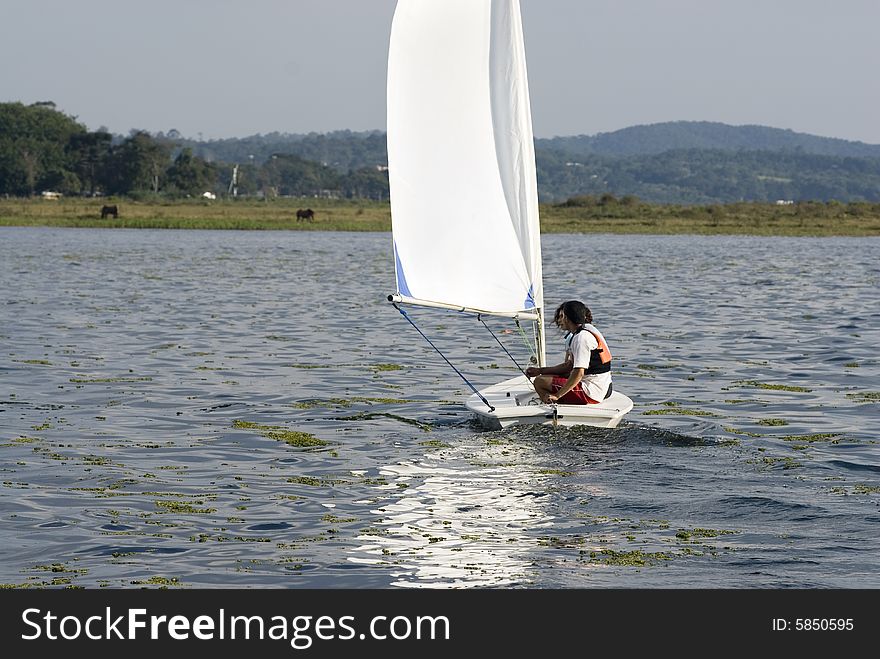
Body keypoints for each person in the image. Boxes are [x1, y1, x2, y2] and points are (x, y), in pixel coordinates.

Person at [525, 300, 613, 405]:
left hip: (591, 391)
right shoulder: (587, 329)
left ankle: (551, 406)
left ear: (566, 318)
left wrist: (557, 395)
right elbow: (569, 366)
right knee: (545, 376)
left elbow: (579, 373)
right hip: (602, 386)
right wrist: (540, 370)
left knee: (539, 382)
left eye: (561, 316)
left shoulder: (581, 338)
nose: (559, 320)